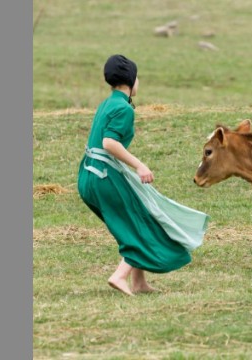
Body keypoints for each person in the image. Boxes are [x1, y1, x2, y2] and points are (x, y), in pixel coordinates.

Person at [77, 54, 209, 296]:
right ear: (131, 80)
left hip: (88, 176)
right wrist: (140, 165)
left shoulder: (106, 104)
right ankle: (119, 276)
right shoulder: (123, 108)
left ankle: (139, 282)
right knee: (138, 225)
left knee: (133, 222)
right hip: (105, 177)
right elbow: (109, 142)